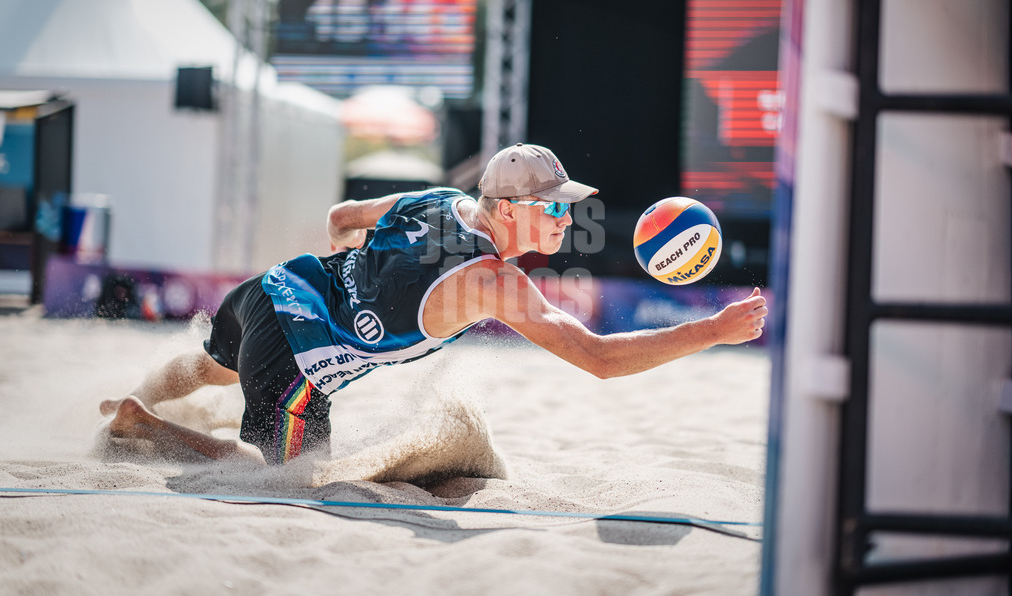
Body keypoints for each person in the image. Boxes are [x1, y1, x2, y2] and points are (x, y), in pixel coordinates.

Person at [100, 143, 768, 464]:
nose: (565, 220)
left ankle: (136, 393)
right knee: (278, 478)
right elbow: (596, 358)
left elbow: (342, 215)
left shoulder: (438, 199)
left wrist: (359, 277)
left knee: (212, 365)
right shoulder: (492, 282)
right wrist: (712, 328)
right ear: (507, 209)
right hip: (296, 360)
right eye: (554, 207)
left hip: (274, 285)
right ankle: (145, 424)